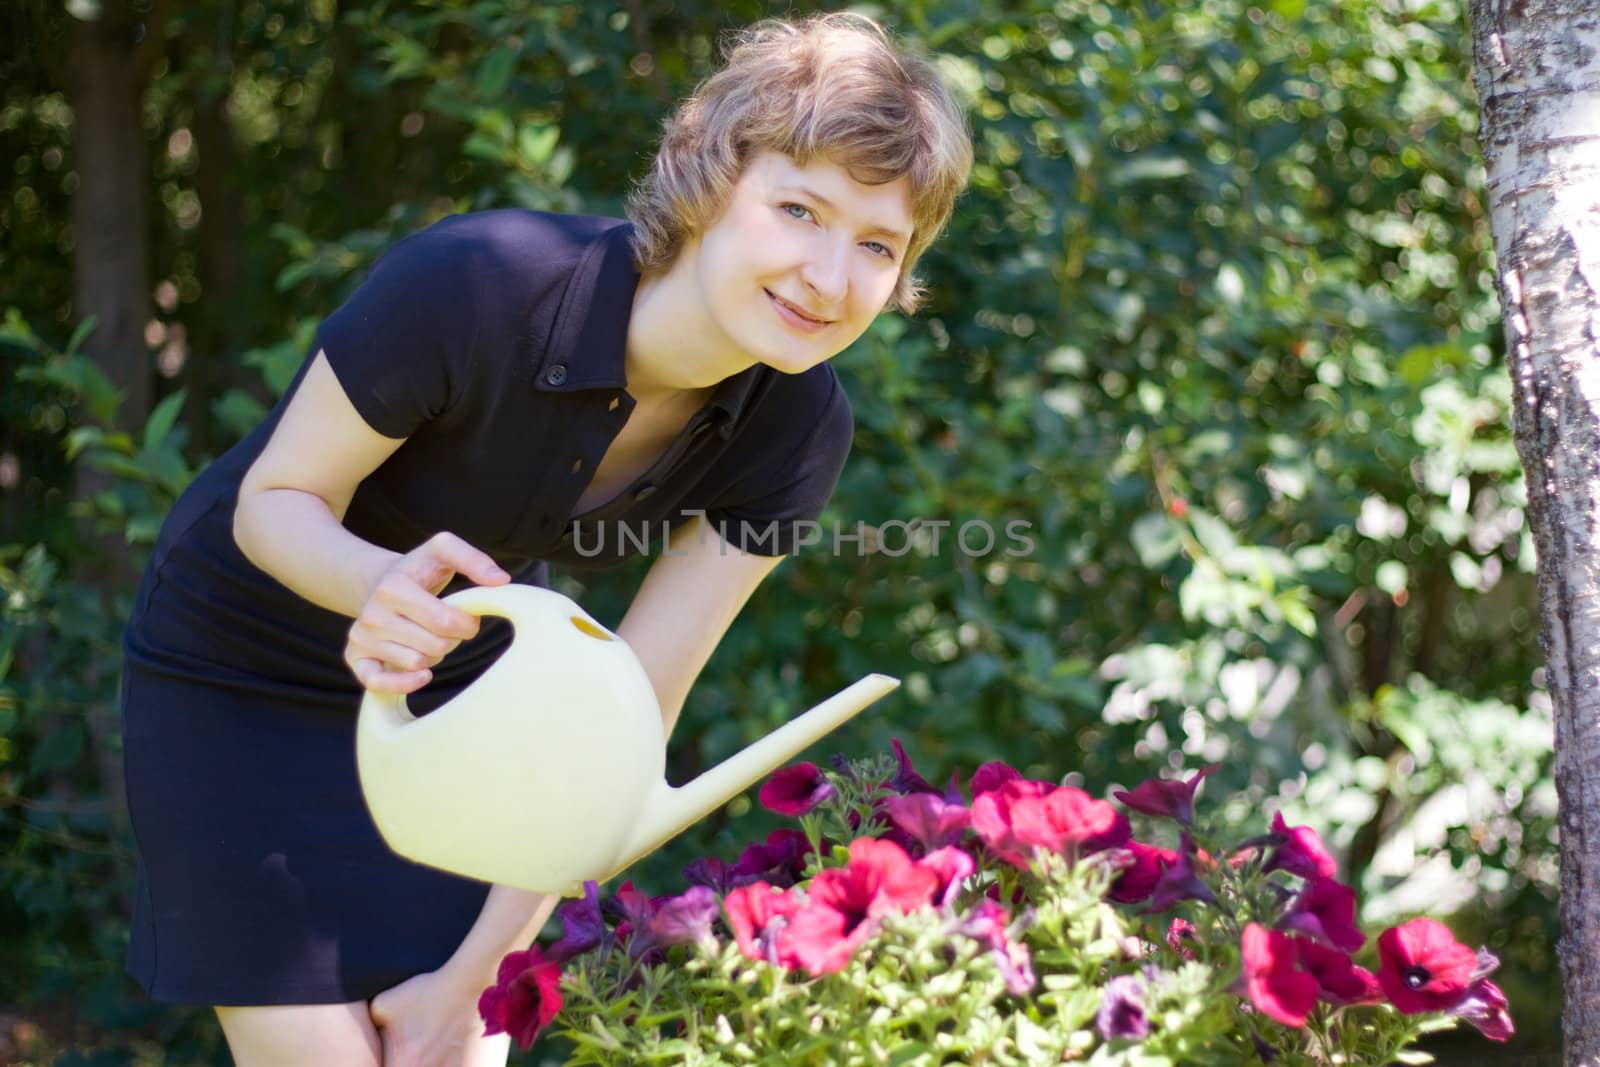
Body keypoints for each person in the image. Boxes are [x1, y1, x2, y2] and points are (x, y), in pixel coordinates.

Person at [120, 12, 971, 1066]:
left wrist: (480, 976)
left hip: (459, 715)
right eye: (799, 209)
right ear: (710, 180)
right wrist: (379, 586)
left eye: (878, 244)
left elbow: (626, 714)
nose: (830, 276)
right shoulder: (475, 284)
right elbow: (275, 498)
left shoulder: (800, 424)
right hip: (238, 675)